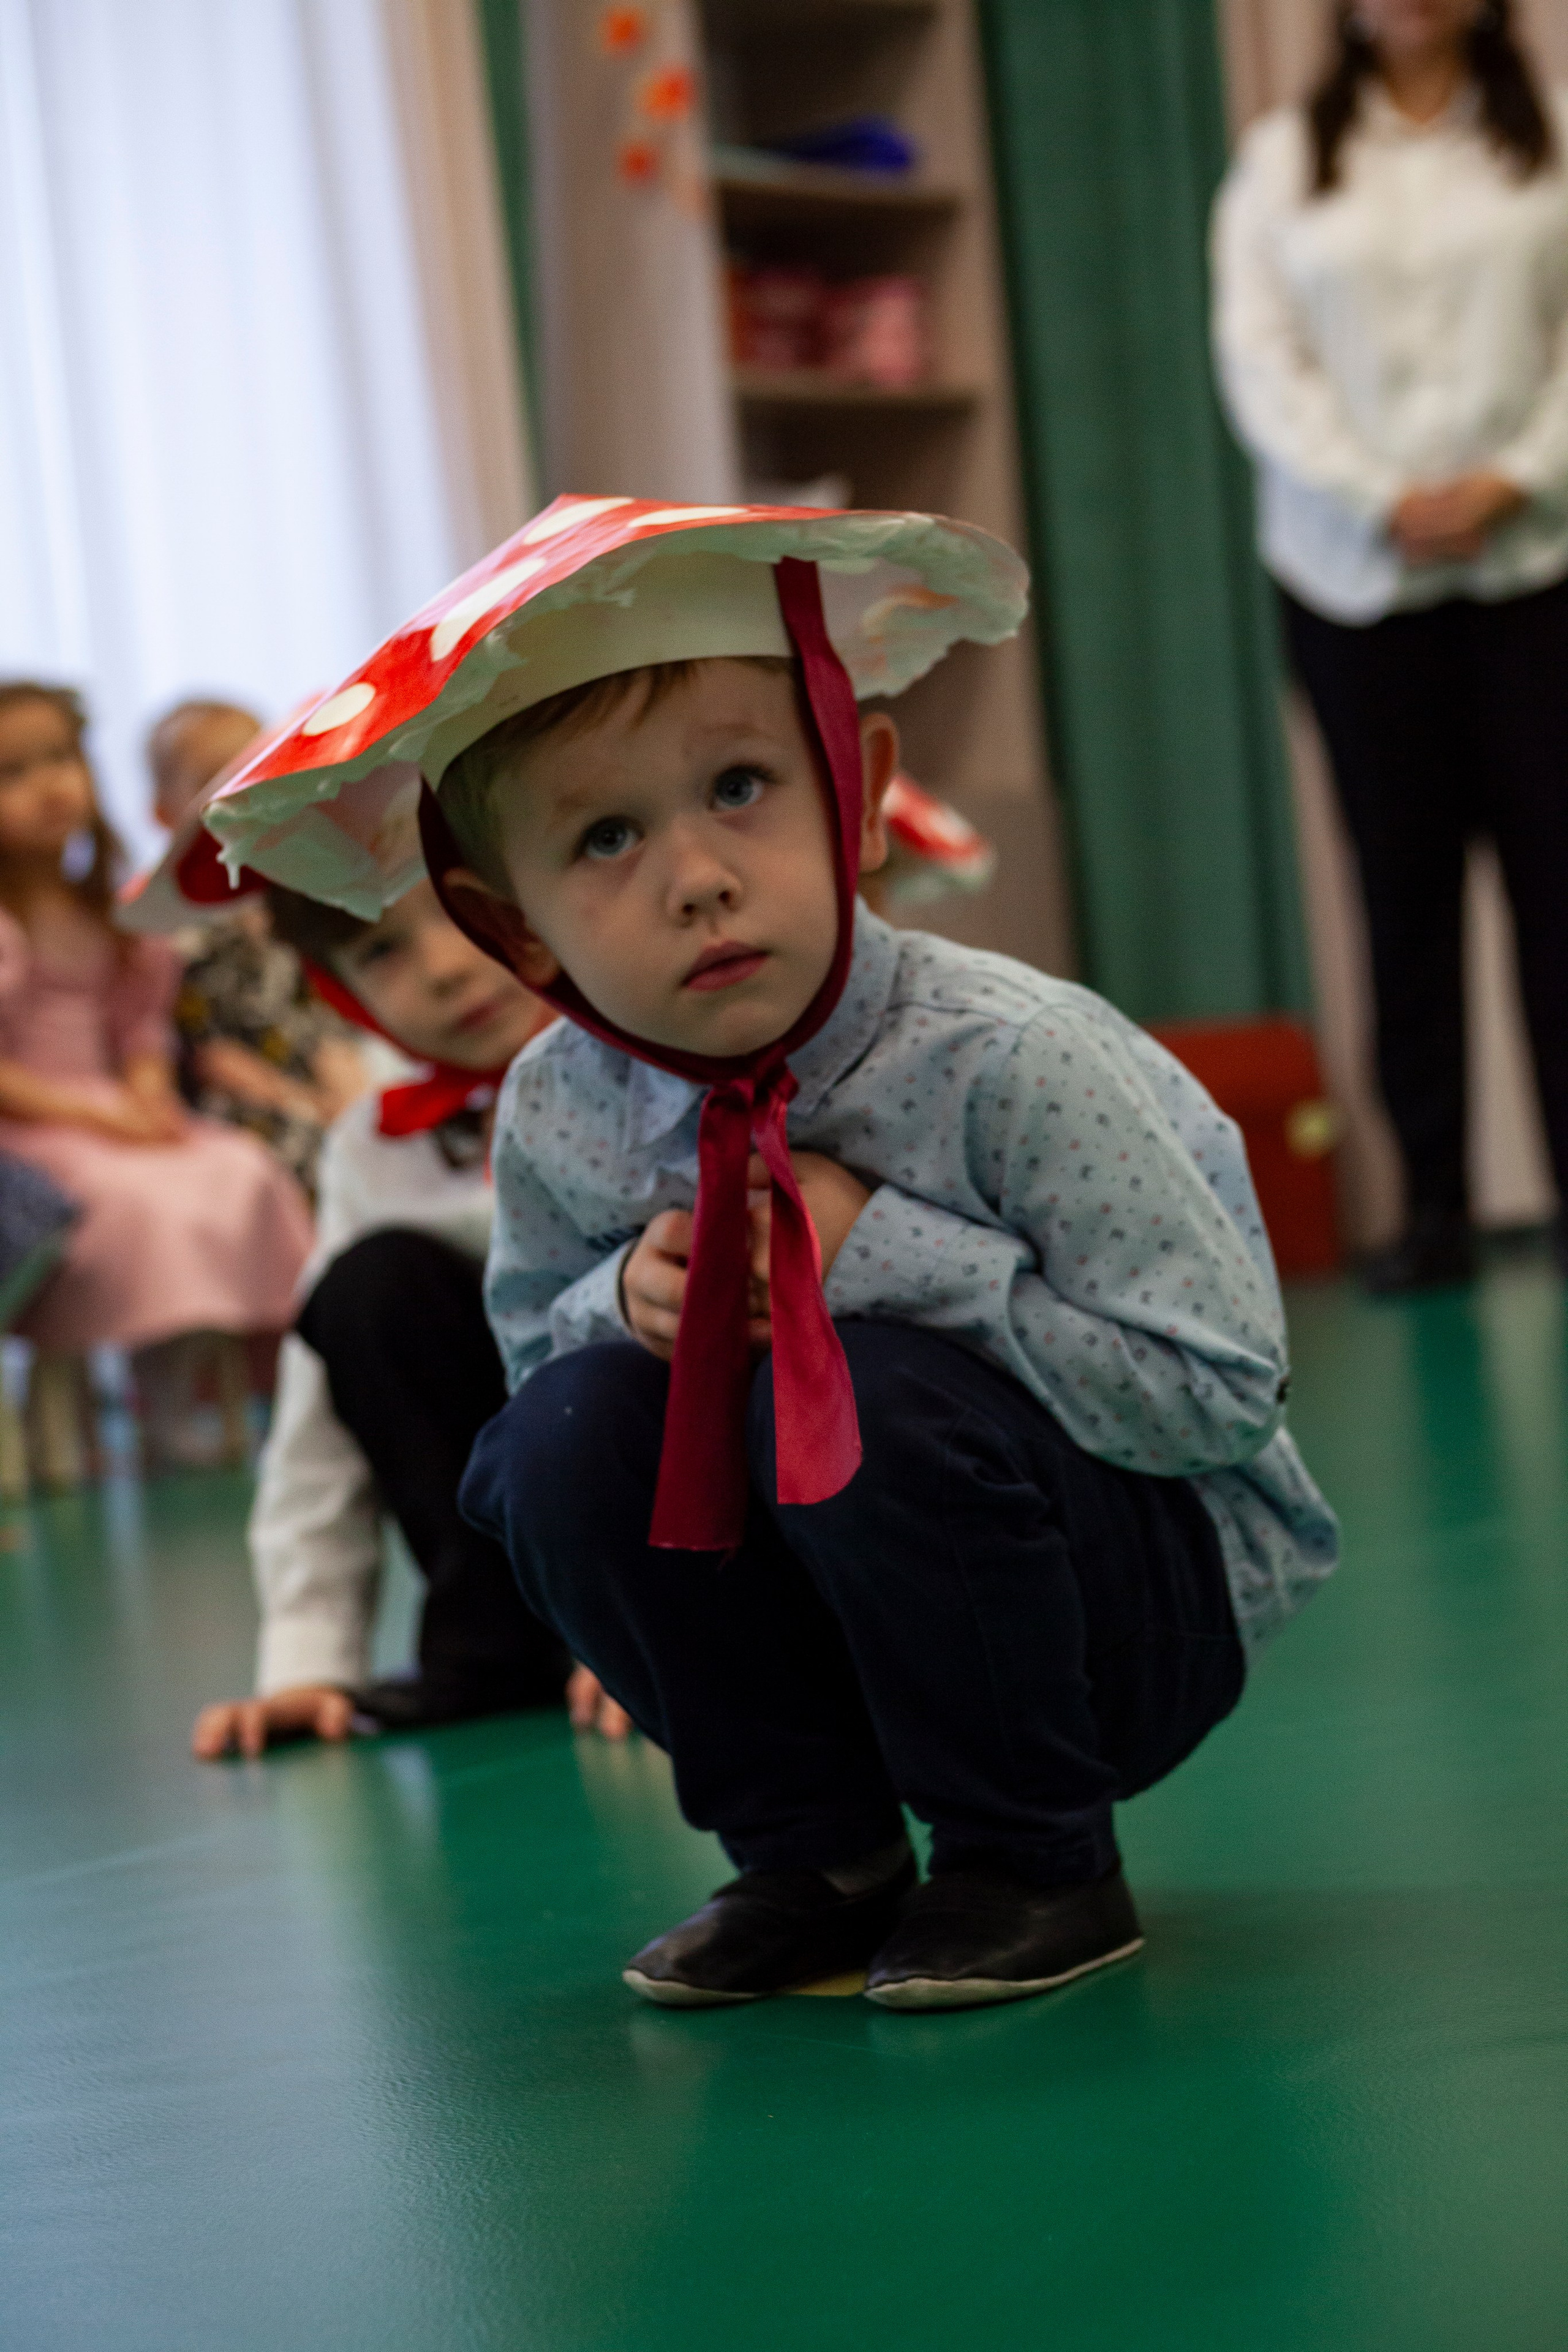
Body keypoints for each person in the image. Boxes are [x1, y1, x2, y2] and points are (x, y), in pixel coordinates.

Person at [204, 496, 1338, 2013]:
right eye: (602, 837)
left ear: (853, 793)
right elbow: (533, 1375)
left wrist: (898, 1258)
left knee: (862, 1376)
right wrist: (621, 1302)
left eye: (739, 787)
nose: (693, 876)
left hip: (1126, 1615)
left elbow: (1211, 1396)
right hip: (844, 1613)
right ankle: (818, 1856)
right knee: (559, 1431)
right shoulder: (561, 1105)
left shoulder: (1006, 1058)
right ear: (508, 923)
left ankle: (1032, 1855)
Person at [1213, 0, 1568, 1294]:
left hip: (1534, 570)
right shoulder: (1273, 167)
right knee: (1399, 899)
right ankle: (1432, 1209)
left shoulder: (1550, 146)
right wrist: (1379, 493)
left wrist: (1510, 477)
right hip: (1348, 580)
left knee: (1556, 889)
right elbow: (1260, 365)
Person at [189, 873, 631, 1756]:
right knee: (366, 1287)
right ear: (335, 987)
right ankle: (500, 1649)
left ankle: (656, 1636)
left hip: (677, 1536)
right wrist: (308, 1659)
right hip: (514, 1535)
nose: (442, 969)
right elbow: (318, 1412)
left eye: (465, 916)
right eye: (381, 949)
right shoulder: (372, 1147)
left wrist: (675, 1634)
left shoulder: (654, 1075)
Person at [0, 680, 314, 1461]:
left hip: (118, 1110)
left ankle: (204, 1392)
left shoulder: (114, 912)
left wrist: (141, 1090)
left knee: (236, 1166)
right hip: (35, 1126)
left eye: (60, 759)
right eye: (13, 772)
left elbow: (141, 1029)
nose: (48, 786)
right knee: (138, 1199)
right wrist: (100, 1115)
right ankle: (160, 1406)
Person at [146, 698, 368, 1196]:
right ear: (163, 812)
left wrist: (347, 1099)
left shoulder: (295, 899)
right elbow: (213, 1057)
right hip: (245, 1096)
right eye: (212, 778)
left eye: (255, 765)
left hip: (328, 1070)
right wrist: (304, 1102)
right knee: (308, 1159)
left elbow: (326, 1021)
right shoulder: (180, 933)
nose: (241, 789)